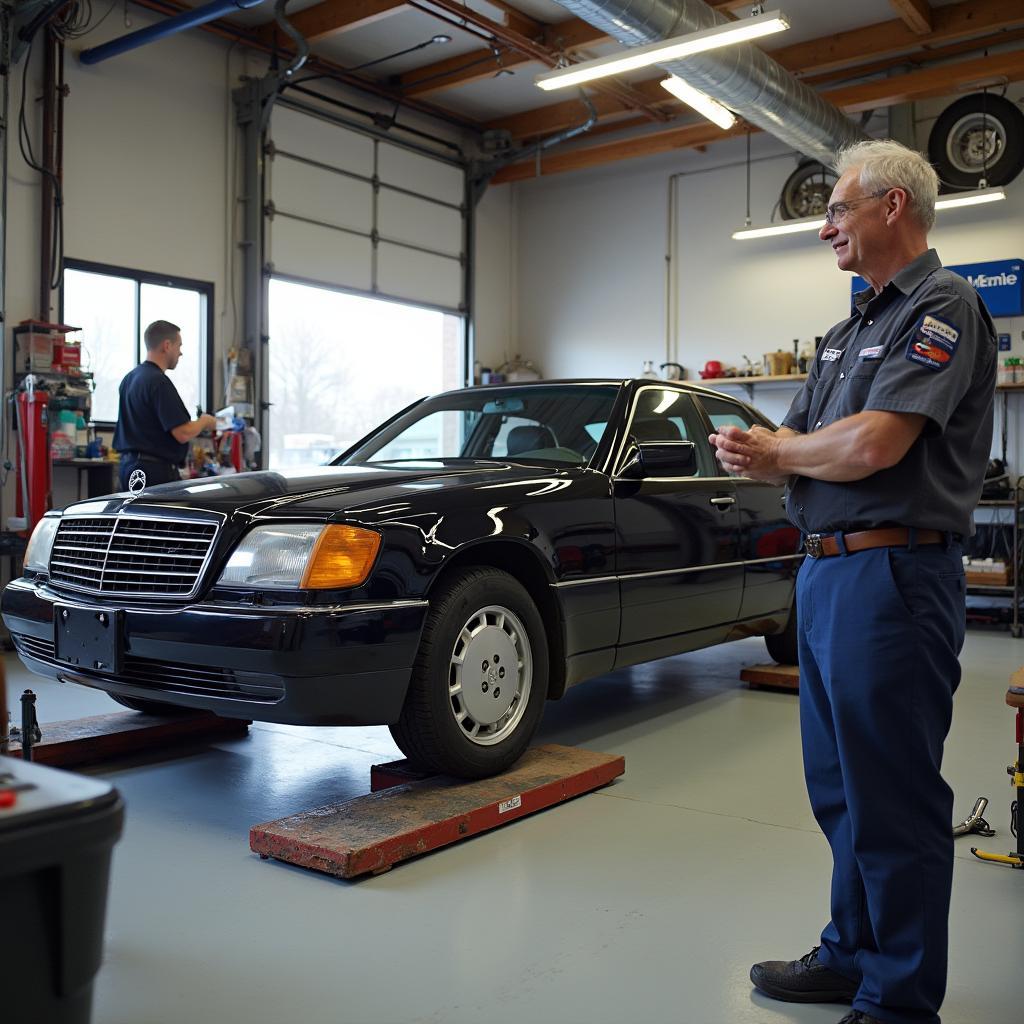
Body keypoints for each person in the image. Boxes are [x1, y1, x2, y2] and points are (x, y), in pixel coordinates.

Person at [710, 139, 996, 1024]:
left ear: (891, 207)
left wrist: (783, 451)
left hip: (894, 573)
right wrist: (767, 454)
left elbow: (874, 446)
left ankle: (900, 999)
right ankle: (851, 955)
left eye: (838, 208)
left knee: (895, 797)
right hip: (828, 575)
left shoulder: (941, 306)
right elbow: (798, 454)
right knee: (842, 791)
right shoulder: (849, 331)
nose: (826, 224)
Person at [113, 320, 217, 490]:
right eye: (179, 346)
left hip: (128, 469)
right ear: (167, 345)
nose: (180, 353)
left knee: (134, 517)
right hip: (152, 471)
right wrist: (205, 421)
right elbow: (182, 432)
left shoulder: (129, 379)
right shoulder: (158, 382)